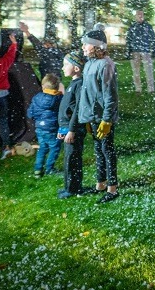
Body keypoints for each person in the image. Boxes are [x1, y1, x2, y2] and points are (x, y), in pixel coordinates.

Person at [78, 25, 120, 204]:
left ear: (96, 46)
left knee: (107, 150)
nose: (83, 48)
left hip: (103, 117)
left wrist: (107, 120)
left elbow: (110, 95)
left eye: (86, 45)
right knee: (98, 150)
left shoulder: (106, 64)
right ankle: (100, 183)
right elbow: (87, 94)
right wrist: (86, 117)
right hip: (93, 117)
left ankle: (113, 187)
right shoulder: (88, 64)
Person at [57, 51, 87, 199]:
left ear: (76, 68)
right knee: (68, 158)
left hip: (73, 130)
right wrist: (62, 128)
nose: (62, 67)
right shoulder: (73, 83)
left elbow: (77, 110)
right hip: (67, 128)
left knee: (73, 159)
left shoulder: (79, 84)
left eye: (65, 64)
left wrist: (71, 130)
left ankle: (74, 188)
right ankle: (68, 186)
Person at [27, 73, 63, 178]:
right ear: (57, 87)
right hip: (52, 128)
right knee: (54, 148)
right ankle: (50, 169)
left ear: (43, 86)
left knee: (42, 147)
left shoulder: (36, 98)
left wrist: (38, 120)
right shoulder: (58, 99)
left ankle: (38, 169)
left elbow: (30, 113)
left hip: (39, 128)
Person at [125, 10, 155, 94]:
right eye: (138, 15)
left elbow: (152, 38)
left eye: (141, 14)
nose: (140, 16)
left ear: (143, 15)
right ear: (135, 16)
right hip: (135, 51)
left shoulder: (148, 26)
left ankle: (151, 89)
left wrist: (154, 50)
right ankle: (138, 89)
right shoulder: (132, 27)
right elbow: (128, 39)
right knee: (136, 71)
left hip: (145, 51)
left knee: (149, 70)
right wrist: (128, 51)